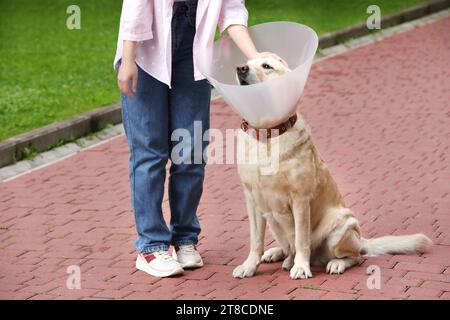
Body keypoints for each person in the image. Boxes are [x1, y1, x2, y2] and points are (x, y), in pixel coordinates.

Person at [114, 0, 285, 278]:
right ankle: (151, 245)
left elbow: (231, 11)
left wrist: (255, 56)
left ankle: (184, 237)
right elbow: (136, 5)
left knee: (191, 150)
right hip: (145, 49)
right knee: (150, 151)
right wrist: (128, 58)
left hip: (192, 52)